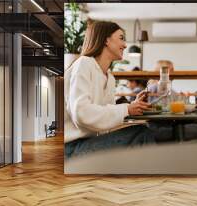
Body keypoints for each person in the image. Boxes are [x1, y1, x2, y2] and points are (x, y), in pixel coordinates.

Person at [64, 20, 155, 158]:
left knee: (147, 131)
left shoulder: (109, 78)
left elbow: (105, 120)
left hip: (91, 142)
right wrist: (126, 109)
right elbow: (81, 113)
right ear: (106, 40)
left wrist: (132, 108)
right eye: (121, 38)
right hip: (73, 148)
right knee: (141, 134)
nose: (125, 45)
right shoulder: (84, 64)